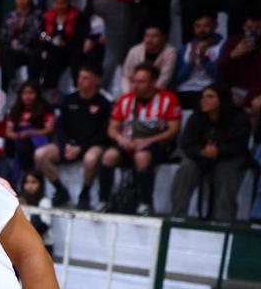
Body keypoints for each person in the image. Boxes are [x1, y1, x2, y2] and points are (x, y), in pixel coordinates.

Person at [99, 61, 181, 215]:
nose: (136, 85)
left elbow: (174, 129)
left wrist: (149, 141)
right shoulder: (125, 100)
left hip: (156, 144)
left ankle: (145, 204)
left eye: (141, 81)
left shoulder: (168, 99)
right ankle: (104, 200)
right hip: (128, 142)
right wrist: (121, 139)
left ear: (153, 82)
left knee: (142, 157)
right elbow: (112, 128)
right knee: (109, 156)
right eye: (134, 81)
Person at [36, 65, 113, 209]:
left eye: (85, 78)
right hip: (68, 144)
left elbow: (103, 133)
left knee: (91, 159)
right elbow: (59, 126)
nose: (80, 81)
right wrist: (66, 144)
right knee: (40, 155)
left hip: (91, 145)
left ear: (96, 80)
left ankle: (85, 193)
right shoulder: (69, 99)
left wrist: (81, 147)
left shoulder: (104, 103)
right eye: (79, 77)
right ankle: (60, 190)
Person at [171, 84, 251, 220]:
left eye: (210, 97)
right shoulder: (196, 117)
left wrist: (218, 151)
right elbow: (187, 144)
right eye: (203, 97)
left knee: (226, 171)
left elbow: (239, 145)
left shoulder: (239, 118)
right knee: (186, 167)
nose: (204, 100)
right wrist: (202, 151)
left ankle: (223, 221)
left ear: (222, 99)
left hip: (229, 157)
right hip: (201, 155)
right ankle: (178, 215)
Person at [39, 0, 91, 92]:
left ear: (68, 2)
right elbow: (42, 33)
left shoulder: (78, 17)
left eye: (62, 3)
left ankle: (78, 89)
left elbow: (82, 36)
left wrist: (66, 43)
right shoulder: (48, 16)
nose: (59, 6)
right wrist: (49, 39)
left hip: (72, 49)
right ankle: (49, 89)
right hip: (53, 49)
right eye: (57, 3)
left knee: (77, 60)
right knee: (50, 58)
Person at [174, 13, 224, 109]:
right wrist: (190, 63)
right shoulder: (186, 47)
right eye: (198, 26)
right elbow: (178, 78)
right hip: (185, 90)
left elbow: (220, 76)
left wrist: (204, 59)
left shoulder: (222, 46)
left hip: (209, 89)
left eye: (206, 26)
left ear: (215, 26)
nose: (201, 30)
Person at [5, 81, 54, 177]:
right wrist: (15, 135)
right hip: (19, 140)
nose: (27, 96)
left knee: (24, 147)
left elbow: (49, 129)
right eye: (24, 93)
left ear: (37, 94)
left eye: (31, 93)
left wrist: (31, 133)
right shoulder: (15, 110)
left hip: (38, 140)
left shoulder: (45, 108)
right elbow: (8, 131)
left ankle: (30, 176)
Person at [217, 11, 261, 114]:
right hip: (237, 88)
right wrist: (232, 56)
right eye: (249, 28)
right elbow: (221, 70)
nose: (252, 32)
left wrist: (248, 100)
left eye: (256, 29)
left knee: (257, 104)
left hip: (257, 91)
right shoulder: (234, 41)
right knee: (219, 99)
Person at [1, 0, 44, 86]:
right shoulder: (10, 16)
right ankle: (12, 84)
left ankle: (33, 86)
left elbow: (42, 34)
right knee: (6, 52)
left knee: (36, 55)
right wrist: (12, 32)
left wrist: (22, 28)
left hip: (31, 49)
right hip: (15, 51)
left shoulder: (37, 15)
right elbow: (4, 37)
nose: (21, 1)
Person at [120, 25, 176, 95]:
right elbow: (126, 76)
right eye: (147, 35)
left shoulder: (169, 52)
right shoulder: (134, 51)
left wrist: (147, 95)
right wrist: (128, 95)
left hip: (158, 94)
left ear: (163, 38)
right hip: (133, 92)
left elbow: (164, 79)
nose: (149, 40)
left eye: (154, 36)